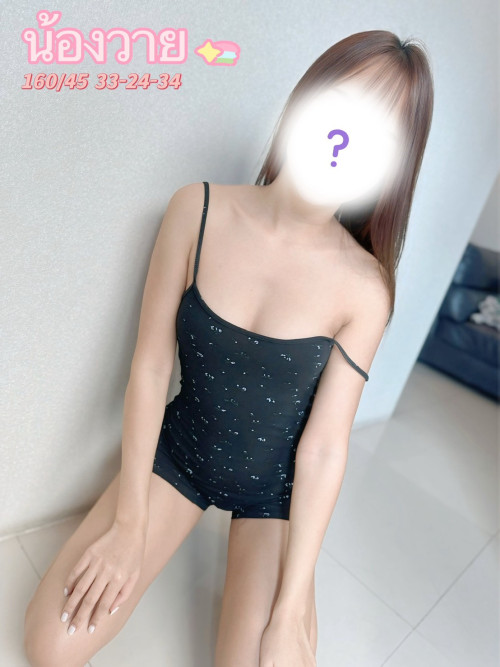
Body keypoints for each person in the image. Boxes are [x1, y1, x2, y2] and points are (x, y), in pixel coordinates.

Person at [23, 29, 434, 667]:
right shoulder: (197, 208)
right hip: (181, 452)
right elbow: (150, 367)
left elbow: (325, 447)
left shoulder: (366, 289)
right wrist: (129, 522)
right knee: (50, 647)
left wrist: (290, 606)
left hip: (274, 491)